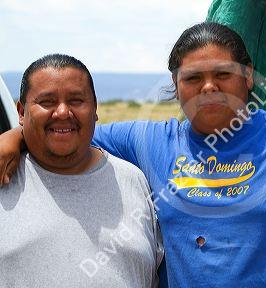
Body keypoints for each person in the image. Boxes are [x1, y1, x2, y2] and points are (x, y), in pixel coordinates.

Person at [0, 23, 266, 287]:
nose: (209, 88)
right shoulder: (147, 141)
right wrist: (14, 138)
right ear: (175, 85)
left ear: (249, 82)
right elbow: (68, 132)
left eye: (223, 75)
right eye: (194, 78)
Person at [0, 54, 163, 288]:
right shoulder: (5, 174)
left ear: (95, 109)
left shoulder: (133, 180)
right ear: (21, 113)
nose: (63, 112)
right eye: (47, 102)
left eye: (76, 100)